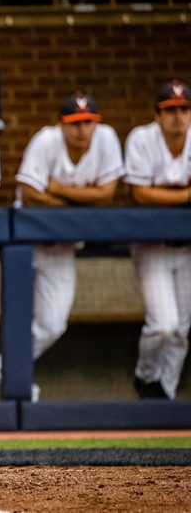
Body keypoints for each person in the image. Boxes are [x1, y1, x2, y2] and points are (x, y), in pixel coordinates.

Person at [0, 92, 123, 401]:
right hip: (26, 245)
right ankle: (19, 385)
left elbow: (106, 194)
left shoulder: (106, 139)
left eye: (88, 122)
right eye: (74, 123)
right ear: (61, 124)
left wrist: (58, 189)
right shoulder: (46, 140)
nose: (82, 130)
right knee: (17, 318)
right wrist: (80, 200)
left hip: (62, 248)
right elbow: (31, 192)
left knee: (53, 325)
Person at [124, 79, 191, 400]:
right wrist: (186, 196)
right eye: (170, 110)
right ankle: (146, 375)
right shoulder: (142, 138)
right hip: (152, 246)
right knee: (163, 325)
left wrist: (163, 195)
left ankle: (165, 395)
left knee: (182, 331)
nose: (178, 116)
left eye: (184, 109)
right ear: (157, 115)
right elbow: (140, 193)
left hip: (187, 248)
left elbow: (153, 193)